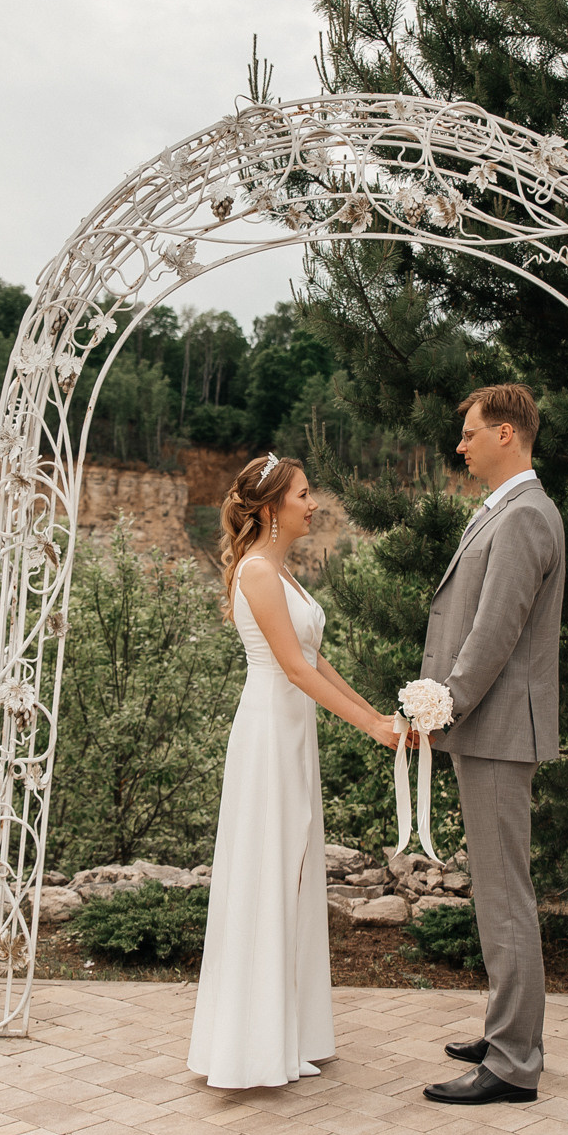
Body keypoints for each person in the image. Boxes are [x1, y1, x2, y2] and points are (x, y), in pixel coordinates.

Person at [186, 452, 403, 1090]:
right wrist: (365, 727)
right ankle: (251, 1045)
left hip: (293, 731)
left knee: (295, 871)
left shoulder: (286, 575)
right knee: (268, 870)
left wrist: (380, 718)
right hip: (267, 736)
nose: (314, 504)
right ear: (273, 507)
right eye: (304, 494)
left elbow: (318, 659)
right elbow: (294, 670)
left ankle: (289, 1031)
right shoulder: (256, 571)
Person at [413, 383, 564, 1105]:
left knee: (506, 897)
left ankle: (510, 1062)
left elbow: (496, 630)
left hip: (498, 728)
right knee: (500, 892)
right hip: (491, 728)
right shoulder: (505, 510)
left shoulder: (528, 516)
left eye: (470, 434)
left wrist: (444, 704)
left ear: (507, 434)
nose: (461, 445)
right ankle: (512, 1031)